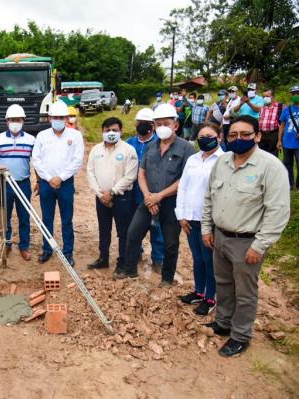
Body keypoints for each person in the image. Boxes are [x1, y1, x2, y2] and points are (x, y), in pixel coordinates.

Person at [202, 115, 290, 357]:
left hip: (247, 242)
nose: (238, 139)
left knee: (245, 291)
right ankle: (223, 323)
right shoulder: (223, 162)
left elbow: (278, 210)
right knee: (224, 284)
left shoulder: (270, 167)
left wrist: (260, 245)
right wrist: (207, 229)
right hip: (221, 236)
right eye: (233, 135)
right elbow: (210, 197)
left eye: (245, 135)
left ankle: (240, 335)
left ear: (258, 136)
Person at [117, 104, 195, 285]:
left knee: (170, 243)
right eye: (158, 124)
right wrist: (148, 196)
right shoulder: (151, 147)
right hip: (148, 199)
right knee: (133, 234)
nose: (162, 128)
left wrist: (159, 197)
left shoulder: (186, 149)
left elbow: (184, 180)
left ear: (175, 125)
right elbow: (141, 173)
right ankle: (130, 272)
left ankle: (167, 279)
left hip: (171, 202)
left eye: (166, 123)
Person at [176, 124, 224, 315]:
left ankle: (211, 297)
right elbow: (183, 187)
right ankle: (198, 291)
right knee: (197, 257)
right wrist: (181, 215)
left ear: (219, 136)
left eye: (209, 135)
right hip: (190, 218)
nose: (205, 139)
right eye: (202, 136)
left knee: (209, 259)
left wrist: (212, 224)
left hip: (209, 221)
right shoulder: (193, 159)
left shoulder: (224, 160)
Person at [32, 100, 84, 266]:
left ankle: (68, 252)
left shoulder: (75, 136)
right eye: (55, 117)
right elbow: (36, 159)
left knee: (67, 220)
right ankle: (47, 249)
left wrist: (60, 177)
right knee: (47, 218)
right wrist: (48, 178)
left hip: (66, 184)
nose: (58, 120)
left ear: (67, 117)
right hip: (47, 184)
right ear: (49, 118)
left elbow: (77, 160)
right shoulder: (42, 136)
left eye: (61, 117)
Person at [86, 117, 138, 270]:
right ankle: (103, 258)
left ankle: (122, 262)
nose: (111, 133)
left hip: (122, 198)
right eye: (107, 130)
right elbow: (90, 172)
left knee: (123, 232)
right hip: (101, 198)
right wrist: (100, 193)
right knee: (104, 229)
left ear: (121, 131)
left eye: (114, 130)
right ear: (102, 131)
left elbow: (130, 176)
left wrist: (112, 192)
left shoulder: (129, 150)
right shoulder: (96, 150)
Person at [0, 104, 35, 261]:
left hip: (23, 183)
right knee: (4, 216)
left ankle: (24, 246)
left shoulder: (31, 140)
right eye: (12, 120)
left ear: (23, 121)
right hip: (3, 184)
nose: (15, 122)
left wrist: (39, 180)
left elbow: (37, 162)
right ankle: (6, 244)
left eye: (18, 120)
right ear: (7, 121)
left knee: (24, 217)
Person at [127, 108, 165, 272]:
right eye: (140, 123)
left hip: (154, 194)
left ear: (153, 125)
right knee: (135, 227)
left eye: (147, 123)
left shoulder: (160, 143)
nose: (143, 126)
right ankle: (137, 254)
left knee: (156, 227)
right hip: (132, 192)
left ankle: (158, 259)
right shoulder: (129, 143)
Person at [278, 85, 299, 190]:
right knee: (287, 164)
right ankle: (290, 184)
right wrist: (279, 141)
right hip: (287, 142)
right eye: (293, 94)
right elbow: (281, 126)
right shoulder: (287, 110)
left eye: (297, 93)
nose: (296, 95)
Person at [257, 88, 283, 157]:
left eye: (267, 96)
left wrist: (279, 140)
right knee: (261, 156)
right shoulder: (262, 108)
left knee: (273, 156)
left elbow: (282, 124)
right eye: (263, 97)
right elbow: (259, 120)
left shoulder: (279, 107)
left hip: (273, 134)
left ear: (273, 97)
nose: (265, 98)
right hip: (262, 135)